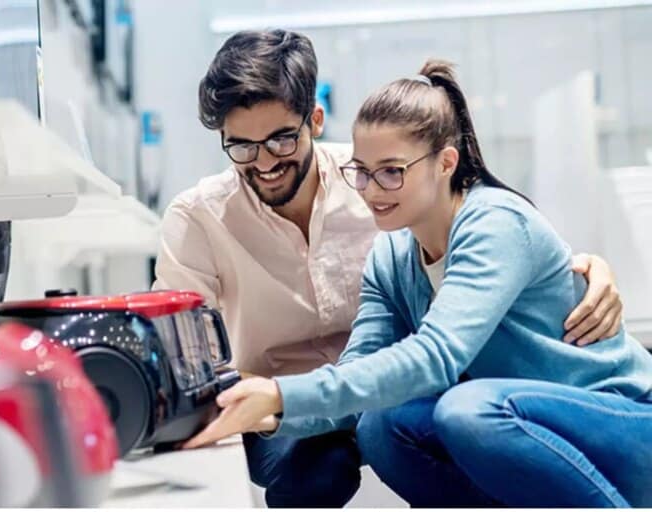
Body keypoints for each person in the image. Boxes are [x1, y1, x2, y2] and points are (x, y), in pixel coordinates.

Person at [155, 30, 624, 507]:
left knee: (464, 410)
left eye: (280, 139)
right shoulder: (391, 248)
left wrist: (593, 266)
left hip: (572, 407)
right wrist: (270, 401)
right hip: (334, 404)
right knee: (368, 436)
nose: (373, 190)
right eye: (243, 147)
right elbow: (184, 353)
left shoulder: (454, 211)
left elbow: (440, 349)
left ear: (314, 121)